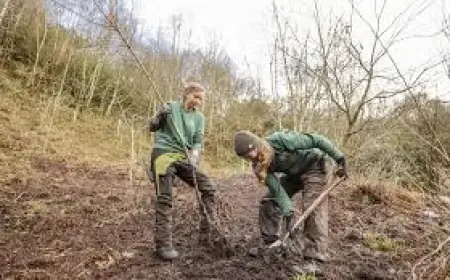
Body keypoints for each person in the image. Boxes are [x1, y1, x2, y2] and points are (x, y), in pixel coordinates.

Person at [233, 130, 348, 273]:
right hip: (294, 174)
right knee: (269, 201)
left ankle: (314, 259)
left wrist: (339, 157)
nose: (251, 157)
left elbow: (316, 139)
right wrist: (288, 210)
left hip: (316, 166)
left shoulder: (280, 141)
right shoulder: (258, 167)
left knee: (313, 209)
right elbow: (278, 191)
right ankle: (272, 243)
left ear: (257, 144)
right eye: (245, 157)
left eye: (251, 151)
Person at [148, 82, 222, 260]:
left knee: (208, 188)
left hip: (183, 158)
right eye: (196, 97)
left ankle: (207, 234)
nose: (198, 101)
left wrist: (194, 156)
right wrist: (159, 116)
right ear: (187, 94)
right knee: (165, 198)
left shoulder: (200, 118)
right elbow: (152, 127)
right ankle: (163, 245)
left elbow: (197, 140)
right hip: (164, 153)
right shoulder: (170, 107)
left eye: (201, 99)